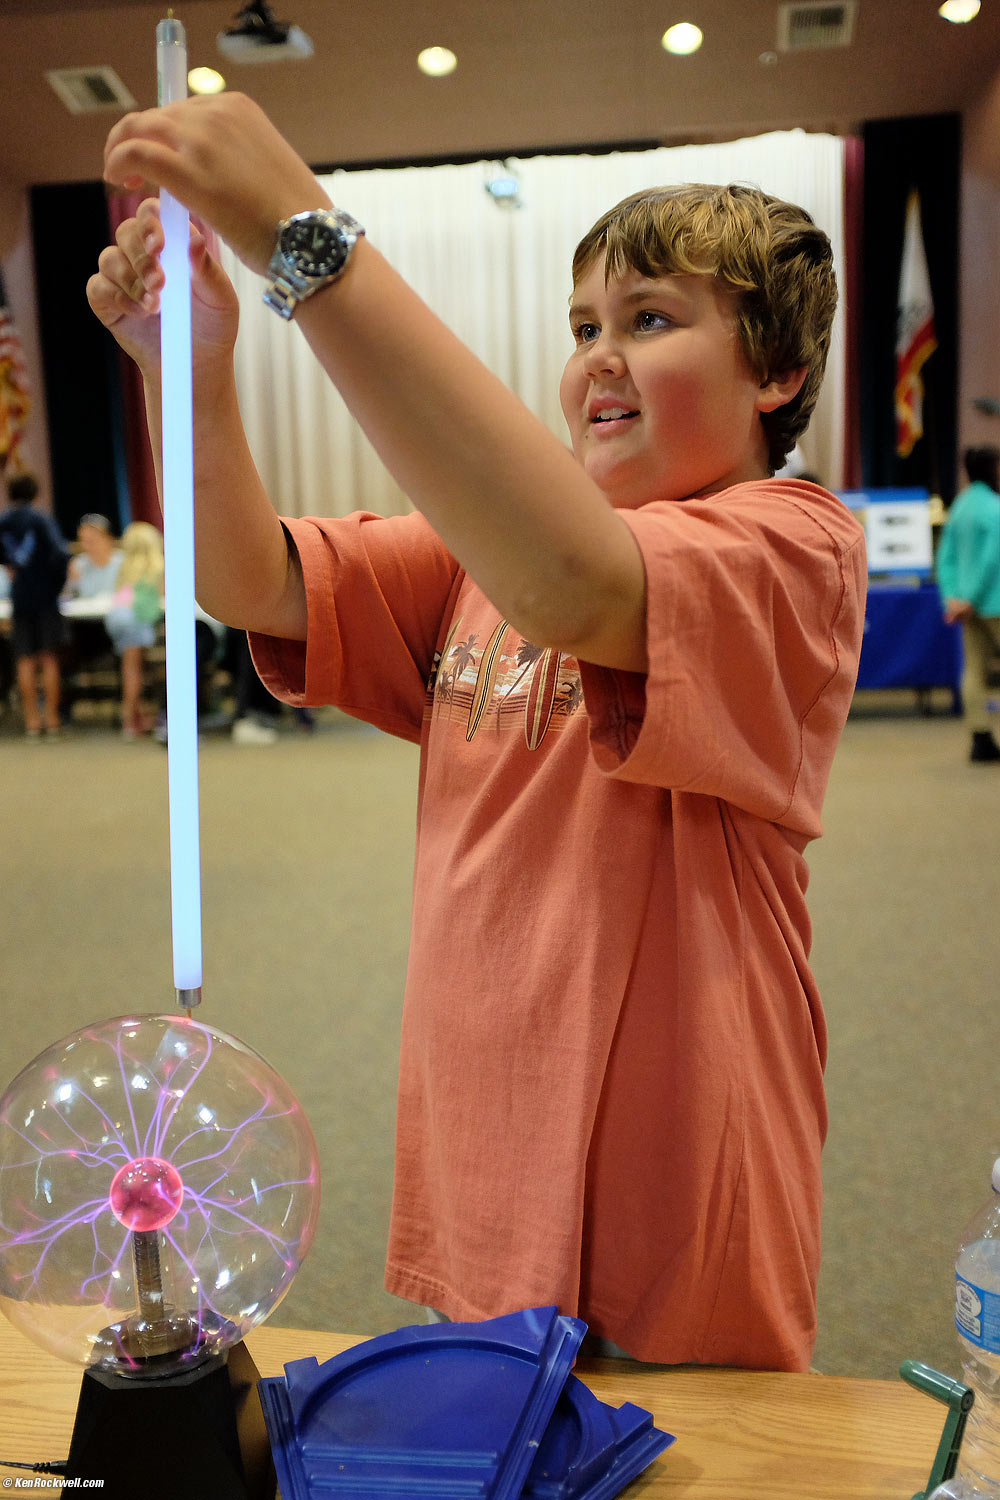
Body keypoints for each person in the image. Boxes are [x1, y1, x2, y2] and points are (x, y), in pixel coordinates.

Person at [86, 94, 866, 1371]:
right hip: (493, 1141)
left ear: (778, 374)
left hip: (676, 1162)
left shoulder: (793, 544)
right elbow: (250, 581)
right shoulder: (482, 558)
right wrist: (193, 373)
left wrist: (305, 238)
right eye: (581, 329)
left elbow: (576, 582)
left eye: (650, 320)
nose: (596, 358)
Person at [936, 445, 1000, 763]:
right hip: (993, 603)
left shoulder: (959, 508)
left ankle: (981, 737)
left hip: (966, 607)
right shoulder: (995, 508)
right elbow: (992, 560)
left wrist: (955, 599)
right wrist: (973, 598)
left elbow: (945, 558)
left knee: (973, 669)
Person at [0, 472, 68, 737]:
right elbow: (60, 553)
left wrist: (10, 566)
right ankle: (51, 718)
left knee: (24, 658)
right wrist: (56, 584)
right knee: (48, 657)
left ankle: (31, 720)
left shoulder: (4, 521)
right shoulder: (40, 518)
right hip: (45, 597)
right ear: (34, 492)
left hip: (20, 596)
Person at [103, 520, 164, 738]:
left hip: (116, 618)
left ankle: (136, 716)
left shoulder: (124, 567)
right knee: (134, 672)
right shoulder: (157, 567)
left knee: (129, 668)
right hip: (136, 620)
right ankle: (130, 720)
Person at [66, 513, 123, 599]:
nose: (86, 546)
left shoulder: (124, 562)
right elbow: (68, 597)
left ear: (108, 538)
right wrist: (73, 582)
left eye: (91, 540)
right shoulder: (78, 564)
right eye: (83, 540)